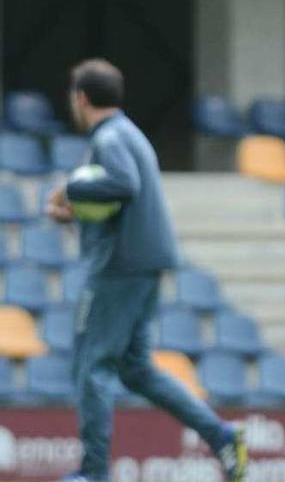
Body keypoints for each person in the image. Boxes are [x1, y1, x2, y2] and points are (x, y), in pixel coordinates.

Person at [47, 59, 247, 482]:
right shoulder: (129, 132)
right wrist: (79, 213)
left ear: (81, 98)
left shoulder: (110, 137)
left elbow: (123, 184)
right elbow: (120, 198)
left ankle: (93, 472)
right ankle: (221, 436)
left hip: (119, 267)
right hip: (143, 262)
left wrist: (70, 189)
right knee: (136, 369)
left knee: (92, 366)